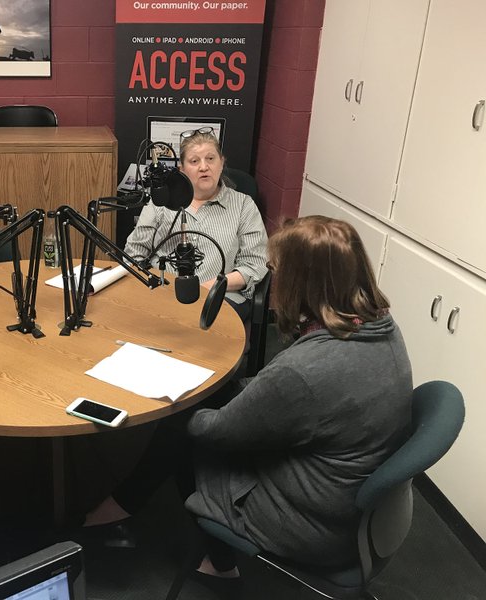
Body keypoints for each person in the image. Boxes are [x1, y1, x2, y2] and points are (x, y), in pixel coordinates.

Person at [85, 216, 412, 594]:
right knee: (213, 401)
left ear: (300, 282)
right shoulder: (378, 326)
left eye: (277, 271)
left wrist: (177, 401)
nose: (273, 281)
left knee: (182, 428)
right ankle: (127, 508)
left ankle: (209, 558)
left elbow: (219, 431)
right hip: (353, 502)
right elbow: (293, 397)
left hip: (313, 524)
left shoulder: (308, 369)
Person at [124, 127, 268, 322]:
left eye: (211, 159)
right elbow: (134, 253)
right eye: (194, 161)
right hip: (163, 293)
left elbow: (255, 264)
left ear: (221, 162)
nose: (204, 167)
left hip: (220, 296)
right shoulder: (161, 203)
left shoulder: (243, 205)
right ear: (181, 170)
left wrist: (209, 287)